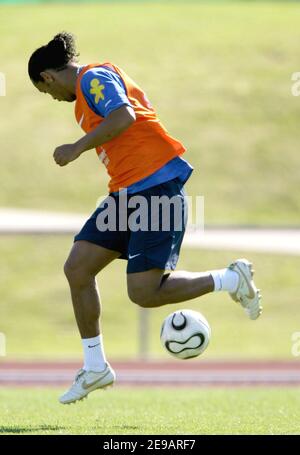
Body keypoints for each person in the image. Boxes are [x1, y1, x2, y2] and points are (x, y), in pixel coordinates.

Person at [28, 32, 262, 405]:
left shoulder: (92, 78)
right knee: (78, 268)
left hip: (155, 187)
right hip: (125, 194)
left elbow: (124, 116)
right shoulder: (84, 99)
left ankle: (231, 279)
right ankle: (95, 367)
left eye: (46, 92)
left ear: (48, 77)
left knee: (143, 293)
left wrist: (76, 148)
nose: (53, 99)